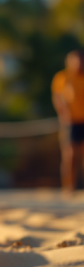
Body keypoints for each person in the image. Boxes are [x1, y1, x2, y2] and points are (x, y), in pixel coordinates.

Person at [52, 50, 84, 193]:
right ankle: (68, 186)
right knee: (69, 155)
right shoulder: (62, 77)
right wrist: (64, 114)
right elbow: (57, 98)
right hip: (70, 122)